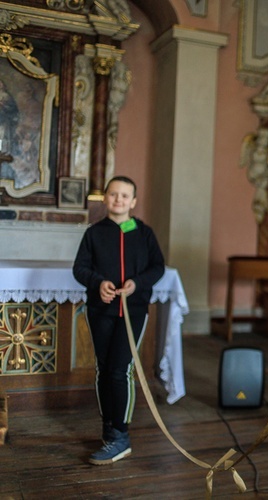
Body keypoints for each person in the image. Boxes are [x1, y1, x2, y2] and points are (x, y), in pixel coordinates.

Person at [73, 175, 165, 465]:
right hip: (101, 310)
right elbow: (80, 269)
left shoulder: (144, 233)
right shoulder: (94, 233)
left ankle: (121, 435)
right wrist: (99, 283)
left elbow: (157, 267)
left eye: (125, 196)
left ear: (133, 202)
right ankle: (108, 426)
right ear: (106, 199)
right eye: (113, 195)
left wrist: (136, 283)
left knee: (119, 370)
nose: (118, 200)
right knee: (103, 369)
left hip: (133, 311)